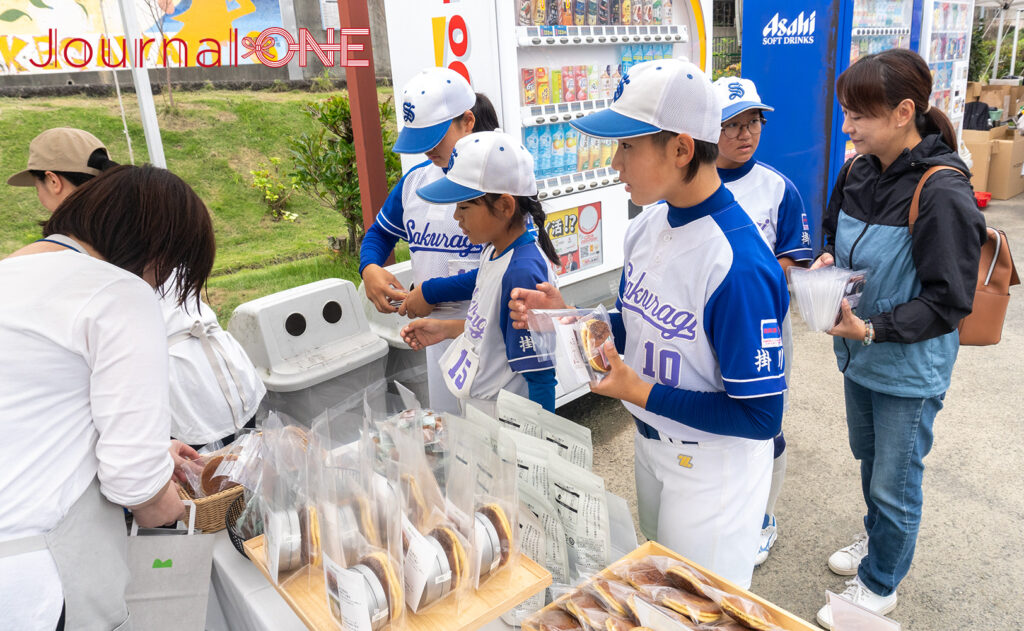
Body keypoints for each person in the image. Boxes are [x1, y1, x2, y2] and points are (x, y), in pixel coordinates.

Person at [509, 59, 790, 588]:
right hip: (653, 444)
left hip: (713, 470)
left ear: (682, 149)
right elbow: (638, 323)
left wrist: (639, 390)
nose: (615, 162)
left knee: (701, 611)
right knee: (659, 596)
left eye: (627, 146)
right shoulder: (647, 225)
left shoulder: (739, 262)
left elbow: (760, 417)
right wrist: (567, 319)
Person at [0, 164, 217, 629]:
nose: (162, 282)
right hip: (39, 581)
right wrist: (181, 501)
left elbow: (38, 419)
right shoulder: (117, 291)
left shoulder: (12, 274)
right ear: (156, 245)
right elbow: (137, 485)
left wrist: (155, 452)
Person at [813, 48, 985, 628]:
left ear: (903, 112)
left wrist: (872, 328)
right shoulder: (857, 171)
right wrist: (827, 262)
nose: (847, 127)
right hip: (859, 352)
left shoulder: (941, 191)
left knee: (897, 476)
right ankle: (878, 542)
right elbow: (835, 232)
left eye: (858, 115)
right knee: (870, 459)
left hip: (907, 366)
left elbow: (949, 301)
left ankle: (881, 583)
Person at [7, 127, 266, 451]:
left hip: (178, 394)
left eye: (37, 184)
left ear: (53, 180)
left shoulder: (77, 260)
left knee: (220, 486)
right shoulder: (143, 215)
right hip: (226, 376)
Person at [712, 76, 814, 566]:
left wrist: (752, 285)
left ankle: (764, 517)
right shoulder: (693, 183)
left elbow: (793, 260)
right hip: (704, 331)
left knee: (765, 420)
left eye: (752, 122)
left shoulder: (778, 188)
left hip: (766, 329)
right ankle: (725, 507)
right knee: (716, 420)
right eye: (731, 124)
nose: (744, 133)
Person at [359, 67, 500, 414]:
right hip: (437, 338)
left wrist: (430, 292)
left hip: (492, 336)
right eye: (419, 141)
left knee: (495, 448)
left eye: (435, 138)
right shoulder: (415, 182)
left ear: (467, 122)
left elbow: (504, 269)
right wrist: (370, 268)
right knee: (453, 442)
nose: (427, 151)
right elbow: (379, 233)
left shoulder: (500, 181)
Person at [399, 131, 561, 413]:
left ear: (504, 206)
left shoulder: (521, 273)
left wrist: (539, 447)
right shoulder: (495, 250)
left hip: (508, 418)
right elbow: (495, 327)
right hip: (485, 411)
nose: (456, 216)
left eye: (464, 206)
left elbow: (540, 375)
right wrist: (446, 330)